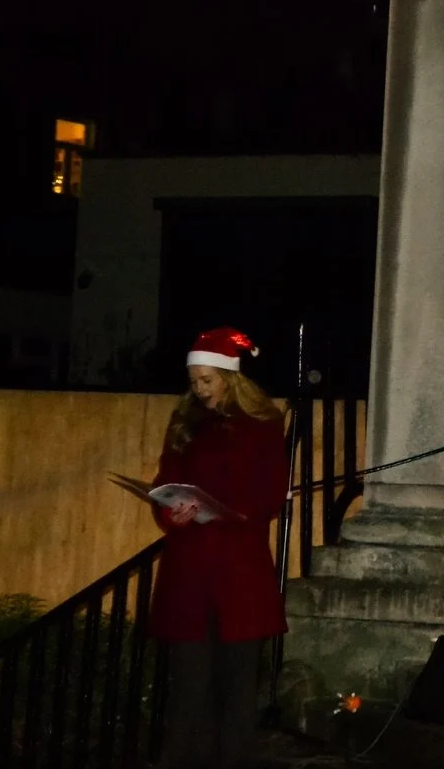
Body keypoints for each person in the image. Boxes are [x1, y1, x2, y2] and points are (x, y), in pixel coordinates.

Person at [150, 327, 288, 769]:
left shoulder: (262, 424)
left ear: (231, 378)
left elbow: (271, 493)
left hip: (240, 569)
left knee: (237, 686)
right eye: (194, 381)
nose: (199, 389)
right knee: (188, 686)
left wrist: (231, 511)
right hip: (189, 568)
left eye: (207, 380)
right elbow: (163, 483)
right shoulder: (184, 422)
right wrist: (173, 511)